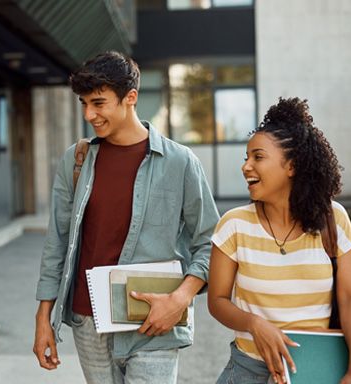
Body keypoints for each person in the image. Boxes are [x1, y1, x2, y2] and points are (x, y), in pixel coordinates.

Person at [33, 51, 219, 384]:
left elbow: (210, 241)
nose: (90, 114)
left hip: (153, 319)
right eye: (84, 103)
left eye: (99, 103)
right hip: (87, 320)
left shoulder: (180, 162)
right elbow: (58, 242)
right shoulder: (76, 161)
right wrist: (44, 316)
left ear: (130, 98)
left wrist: (179, 299)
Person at [207, 98, 351, 384]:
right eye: (246, 157)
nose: (246, 167)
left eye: (258, 157)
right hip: (248, 371)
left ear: (291, 166)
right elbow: (217, 301)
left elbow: (350, 297)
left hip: (315, 370)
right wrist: (254, 324)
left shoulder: (334, 219)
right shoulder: (233, 224)